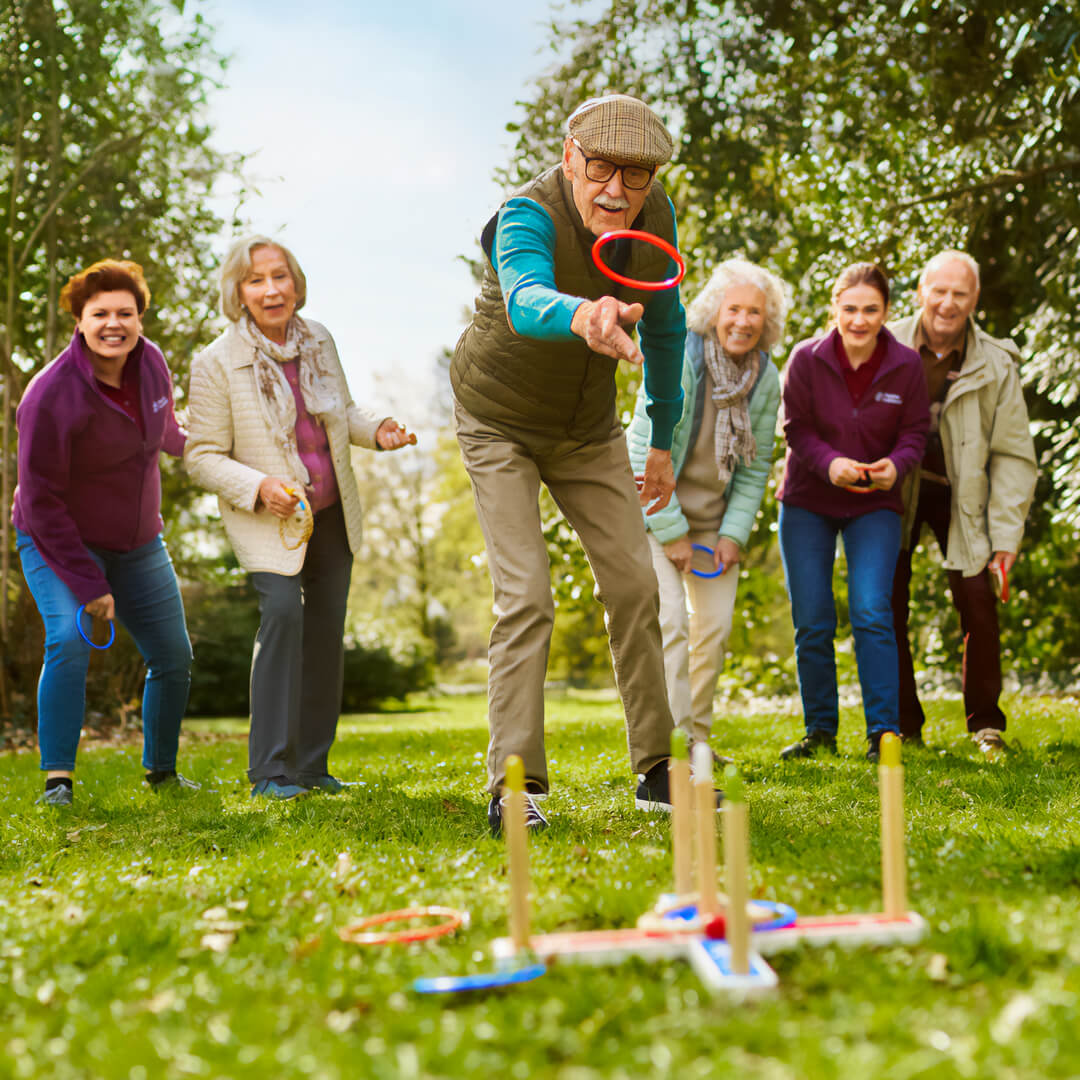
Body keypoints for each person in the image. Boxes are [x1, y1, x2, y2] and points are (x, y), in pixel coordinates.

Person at [450, 93, 716, 834]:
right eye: (601, 169)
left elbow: (666, 330)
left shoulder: (651, 214)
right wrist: (584, 312)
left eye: (636, 178)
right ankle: (517, 784)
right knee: (527, 594)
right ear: (570, 156)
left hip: (586, 427)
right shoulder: (523, 215)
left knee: (637, 585)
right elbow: (527, 298)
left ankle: (659, 771)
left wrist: (661, 439)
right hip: (497, 419)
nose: (616, 192)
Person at [184, 236, 415, 800]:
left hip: (332, 512)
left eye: (280, 276)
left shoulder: (319, 341)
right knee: (284, 615)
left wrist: (379, 430)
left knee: (325, 634)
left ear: (296, 282)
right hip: (269, 520)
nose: (271, 289)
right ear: (238, 292)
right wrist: (260, 487)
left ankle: (312, 767)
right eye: (257, 280)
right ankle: (269, 770)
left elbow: (342, 413)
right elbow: (202, 456)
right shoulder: (216, 362)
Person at [13, 259, 195, 806]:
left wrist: (205, 450)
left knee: (174, 655)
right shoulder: (49, 396)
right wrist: (90, 583)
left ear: (140, 317)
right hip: (58, 541)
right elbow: (41, 501)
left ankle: (162, 772)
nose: (113, 323)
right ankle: (58, 783)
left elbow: (165, 430)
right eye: (100, 314)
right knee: (68, 640)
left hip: (139, 543)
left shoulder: (153, 363)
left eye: (125, 312)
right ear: (79, 319)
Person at [626, 258, 789, 756]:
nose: (743, 321)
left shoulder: (765, 379)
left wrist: (731, 536)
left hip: (712, 526)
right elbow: (639, 453)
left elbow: (755, 468)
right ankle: (668, 749)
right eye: (734, 308)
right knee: (671, 622)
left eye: (755, 313)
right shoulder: (680, 358)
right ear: (714, 311)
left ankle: (696, 738)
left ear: (768, 322)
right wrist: (672, 532)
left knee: (713, 630)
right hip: (656, 517)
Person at [777, 262, 929, 762]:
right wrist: (831, 464)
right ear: (834, 308)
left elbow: (915, 432)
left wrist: (898, 466)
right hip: (808, 502)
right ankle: (819, 730)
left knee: (870, 610)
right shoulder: (805, 358)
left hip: (875, 505)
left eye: (871, 310)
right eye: (850, 309)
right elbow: (795, 429)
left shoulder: (906, 365)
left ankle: (882, 732)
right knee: (815, 618)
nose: (859, 320)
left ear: (887, 312)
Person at [889, 251, 1037, 753]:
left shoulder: (995, 362)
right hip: (898, 487)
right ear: (920, 292)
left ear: (974, 300)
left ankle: (986, 726)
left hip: (964, 493)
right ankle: (902, 725)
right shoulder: (885, 342)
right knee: (885, 602)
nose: (947, 303)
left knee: (978, 602)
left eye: (960, 294)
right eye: (939, 291)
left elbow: (1014, 456)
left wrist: (1005, 537)